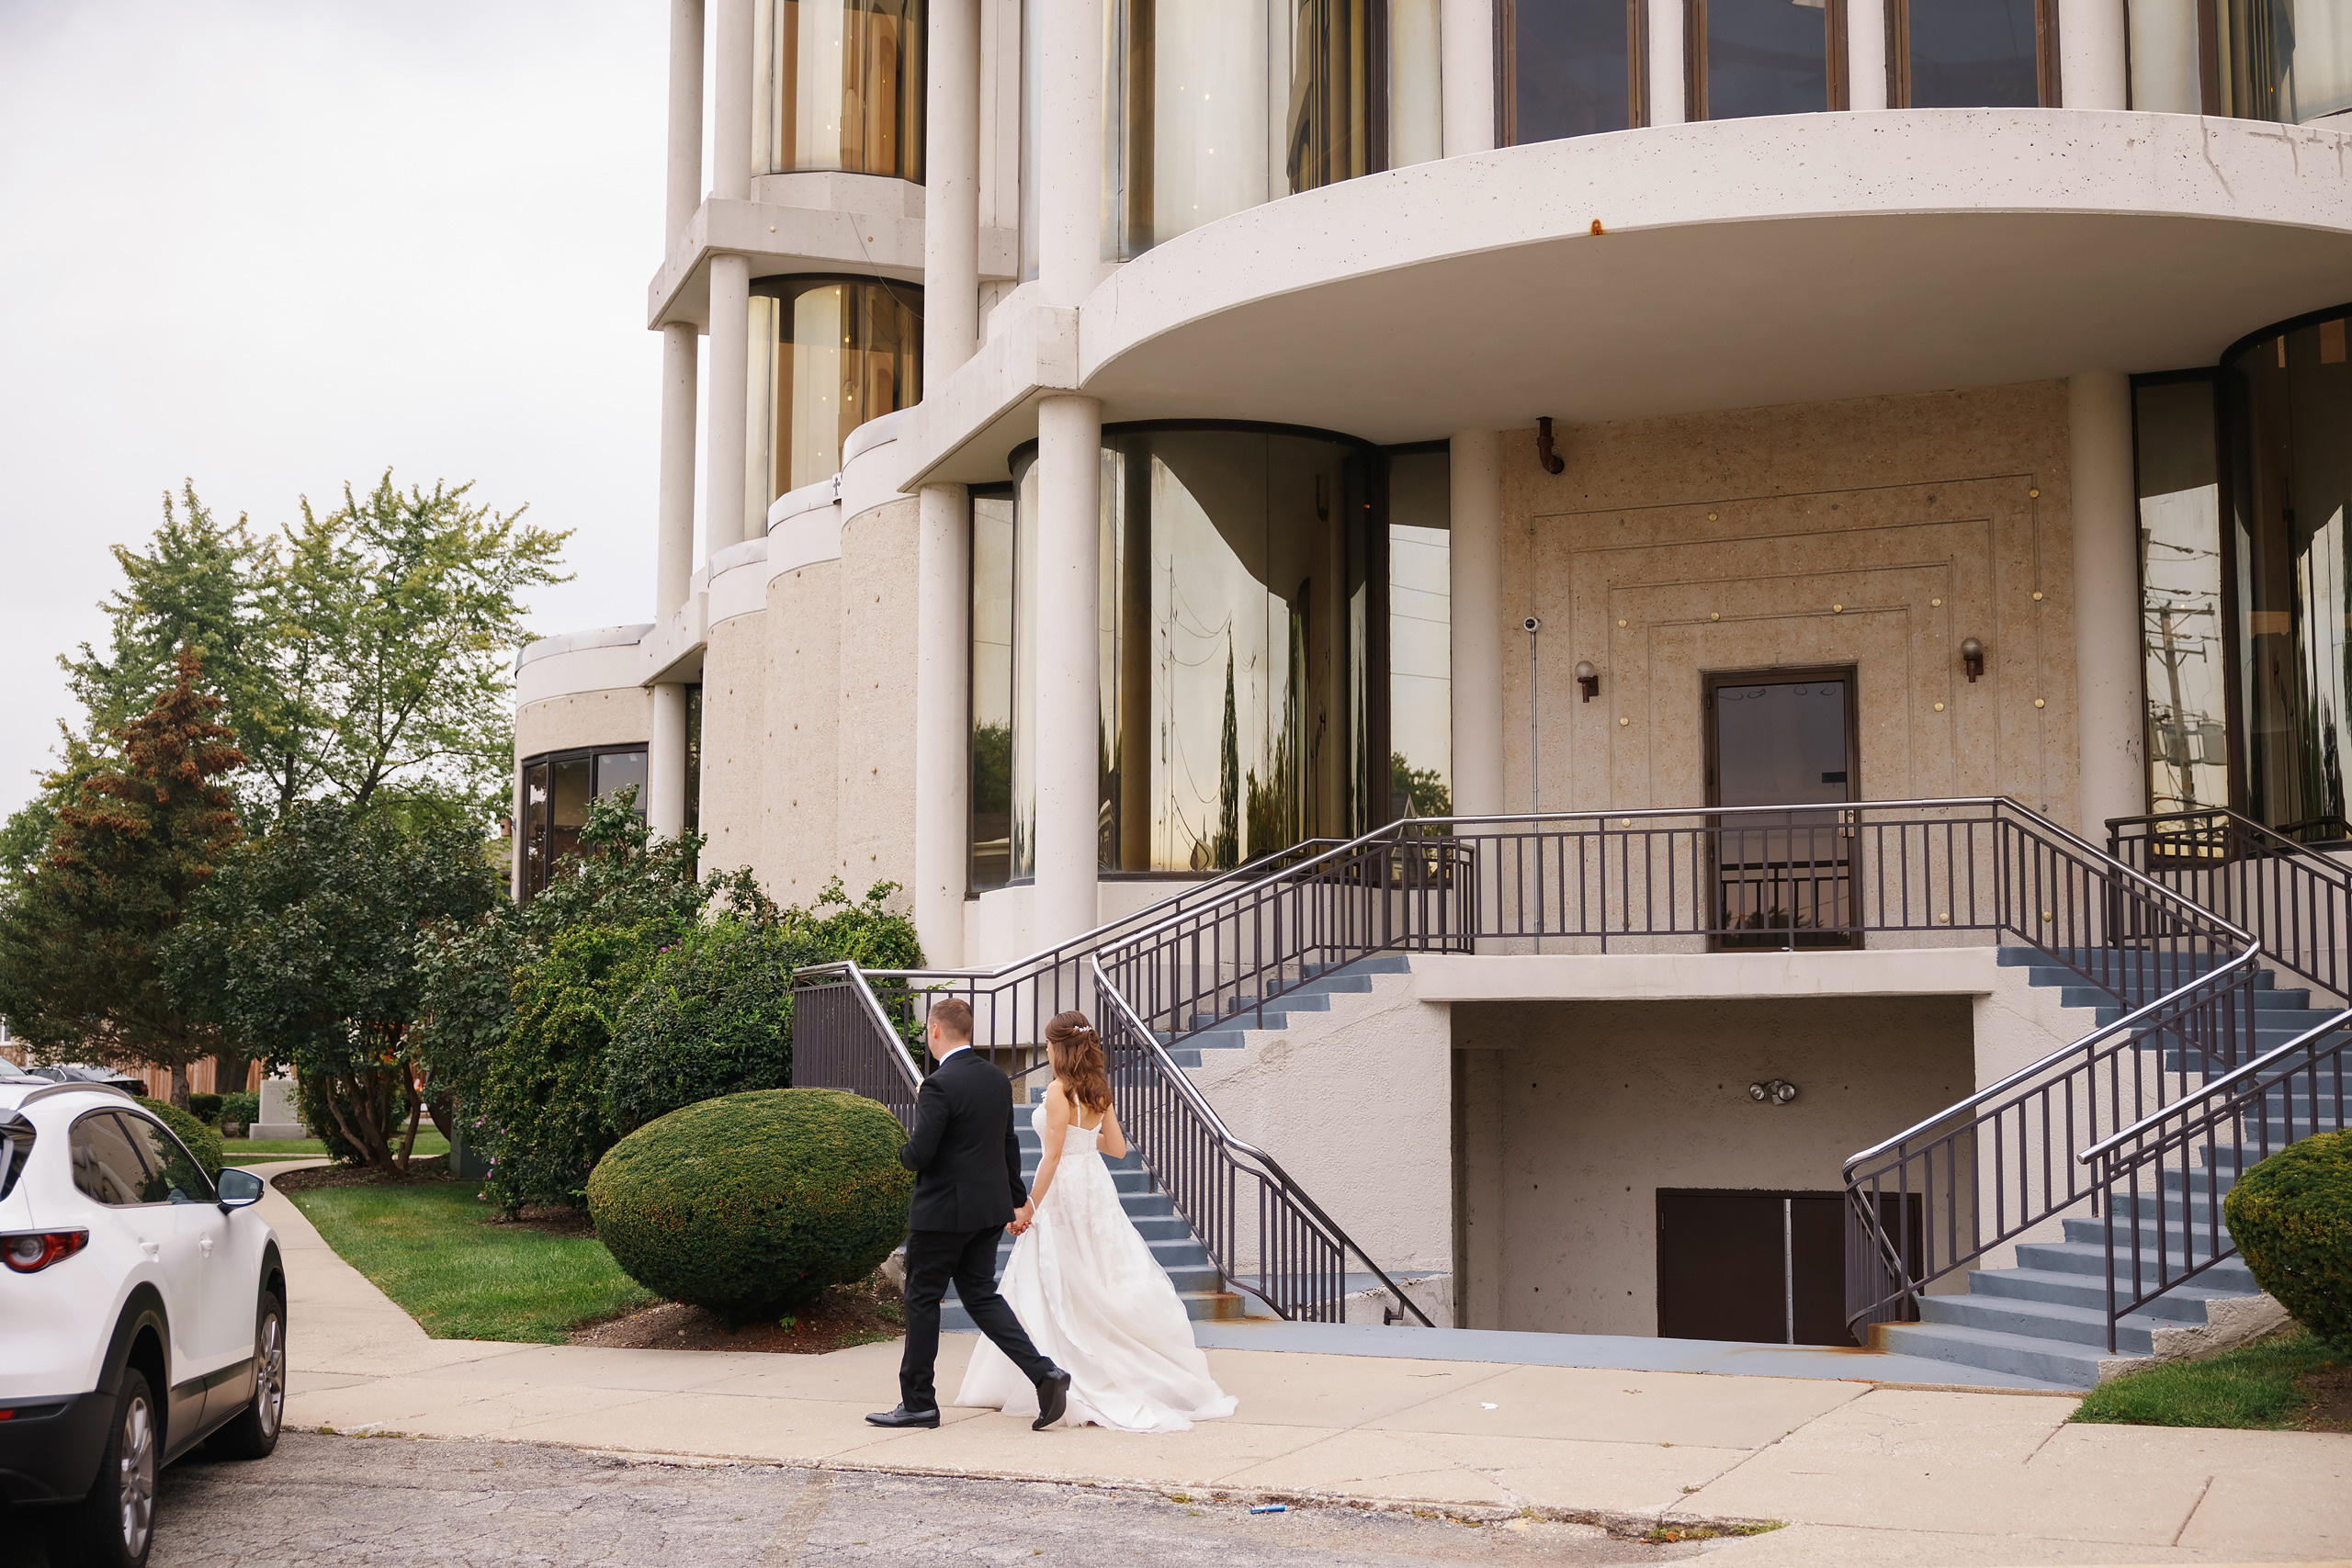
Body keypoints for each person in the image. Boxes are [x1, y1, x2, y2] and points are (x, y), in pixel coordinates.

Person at [954, 1010, 1237, 1431]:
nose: (1046, 1050)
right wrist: (1085, 1138)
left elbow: (1050, 1157)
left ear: (1057, 1047)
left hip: (1065, 1188)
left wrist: (1030, 1205)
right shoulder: (1099, 1090)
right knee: (1098, 1272)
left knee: (1056, 1276)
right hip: (1094, 1186)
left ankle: (1056, 1369)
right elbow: (1118, 1148)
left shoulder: (1057, 1091)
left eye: (1048, 1044)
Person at [868, 998, 1071, 1432]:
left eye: (927, 1030)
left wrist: (900, 1151)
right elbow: (1008, 1145)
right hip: (987, 1210)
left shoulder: (938, 1085)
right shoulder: (996, 1080)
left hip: (942, 1213)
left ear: (936, 1031)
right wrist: (1016, 1200)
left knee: (922, 1299)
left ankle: (919, 1403)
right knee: (980, 1295)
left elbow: (921, 1153)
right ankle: (1045, 1373)